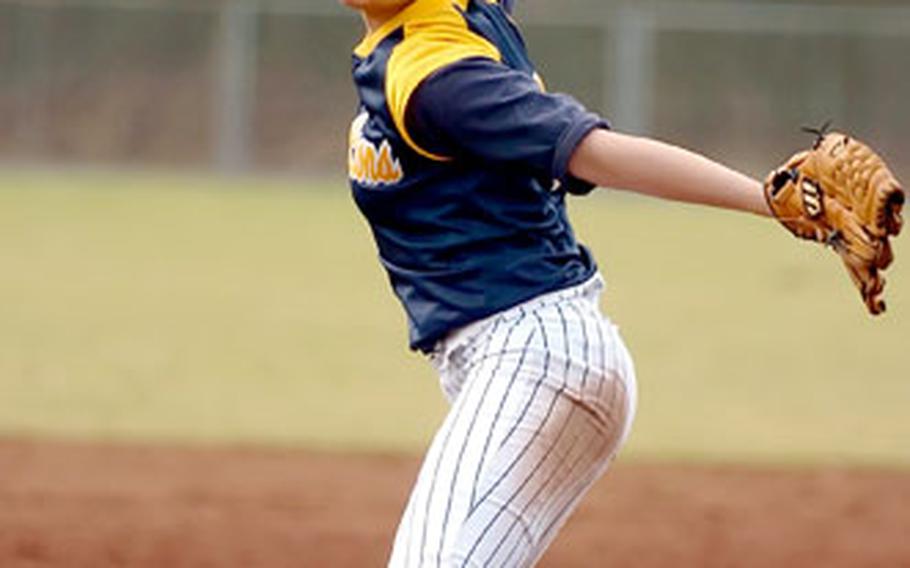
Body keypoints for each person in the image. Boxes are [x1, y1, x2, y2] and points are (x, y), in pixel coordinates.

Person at [341, 0, 771, 566]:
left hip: (533, 355)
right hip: (524, 357)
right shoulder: (447, 22)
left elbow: (595, 153)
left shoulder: (437, 75)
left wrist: (769, 199)